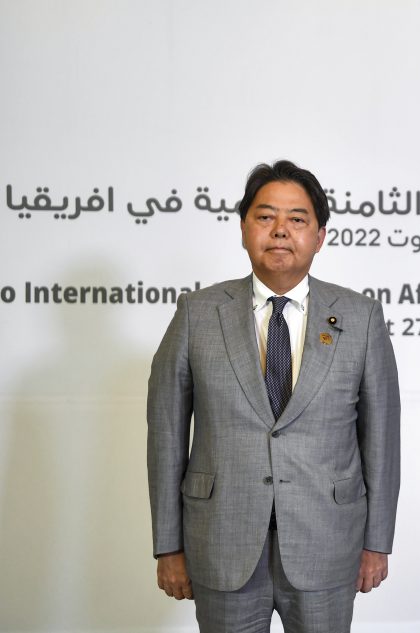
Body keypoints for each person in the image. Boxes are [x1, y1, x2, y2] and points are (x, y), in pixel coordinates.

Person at [147, 160, 400, 633]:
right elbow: (165, 436)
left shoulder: (361, 317)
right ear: (244, 228)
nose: (280, 231)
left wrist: (377, 541)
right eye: (265, 217)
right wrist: (168, 545)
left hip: (328, 543)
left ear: (320, 236)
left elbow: (382, 439)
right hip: (221, 543)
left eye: (297, 219)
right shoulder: (197, 315)